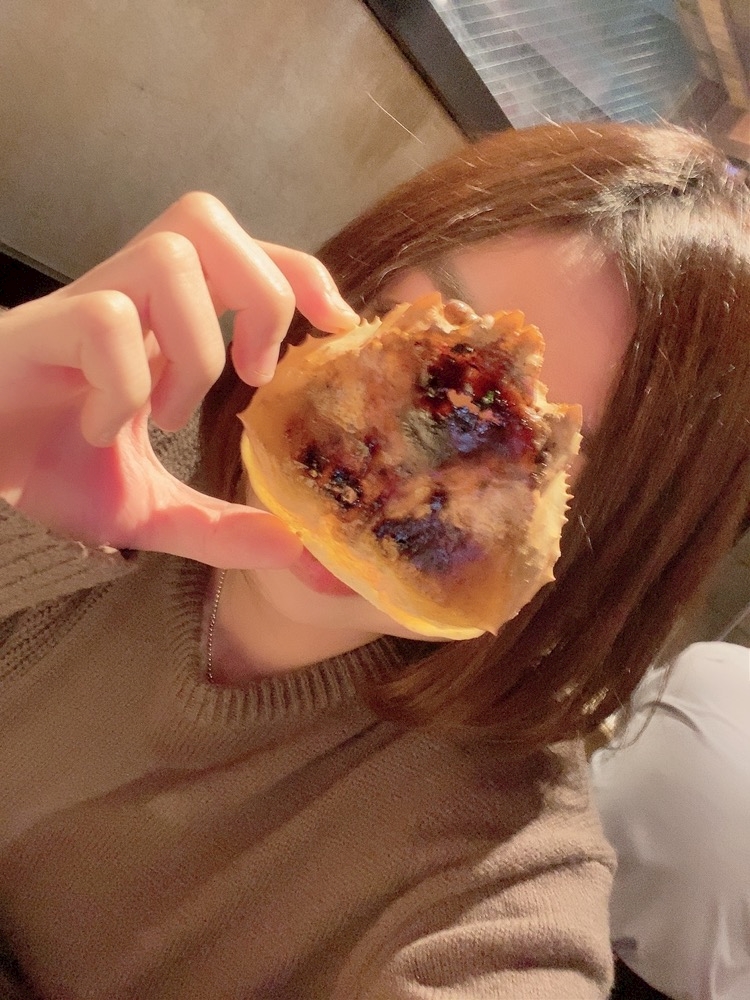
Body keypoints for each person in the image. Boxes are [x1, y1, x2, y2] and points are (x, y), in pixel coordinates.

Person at [0, 120, 748, 1000]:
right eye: (422, 353)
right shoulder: (93, 436)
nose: (416, 467)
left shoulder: (492, 889)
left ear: (616, 548)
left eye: (529, 459)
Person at [592, 640, 750, 1000]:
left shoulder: (710, 660)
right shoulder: (712, 663)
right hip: (671, 986)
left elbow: (625, 741)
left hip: (560, 877)